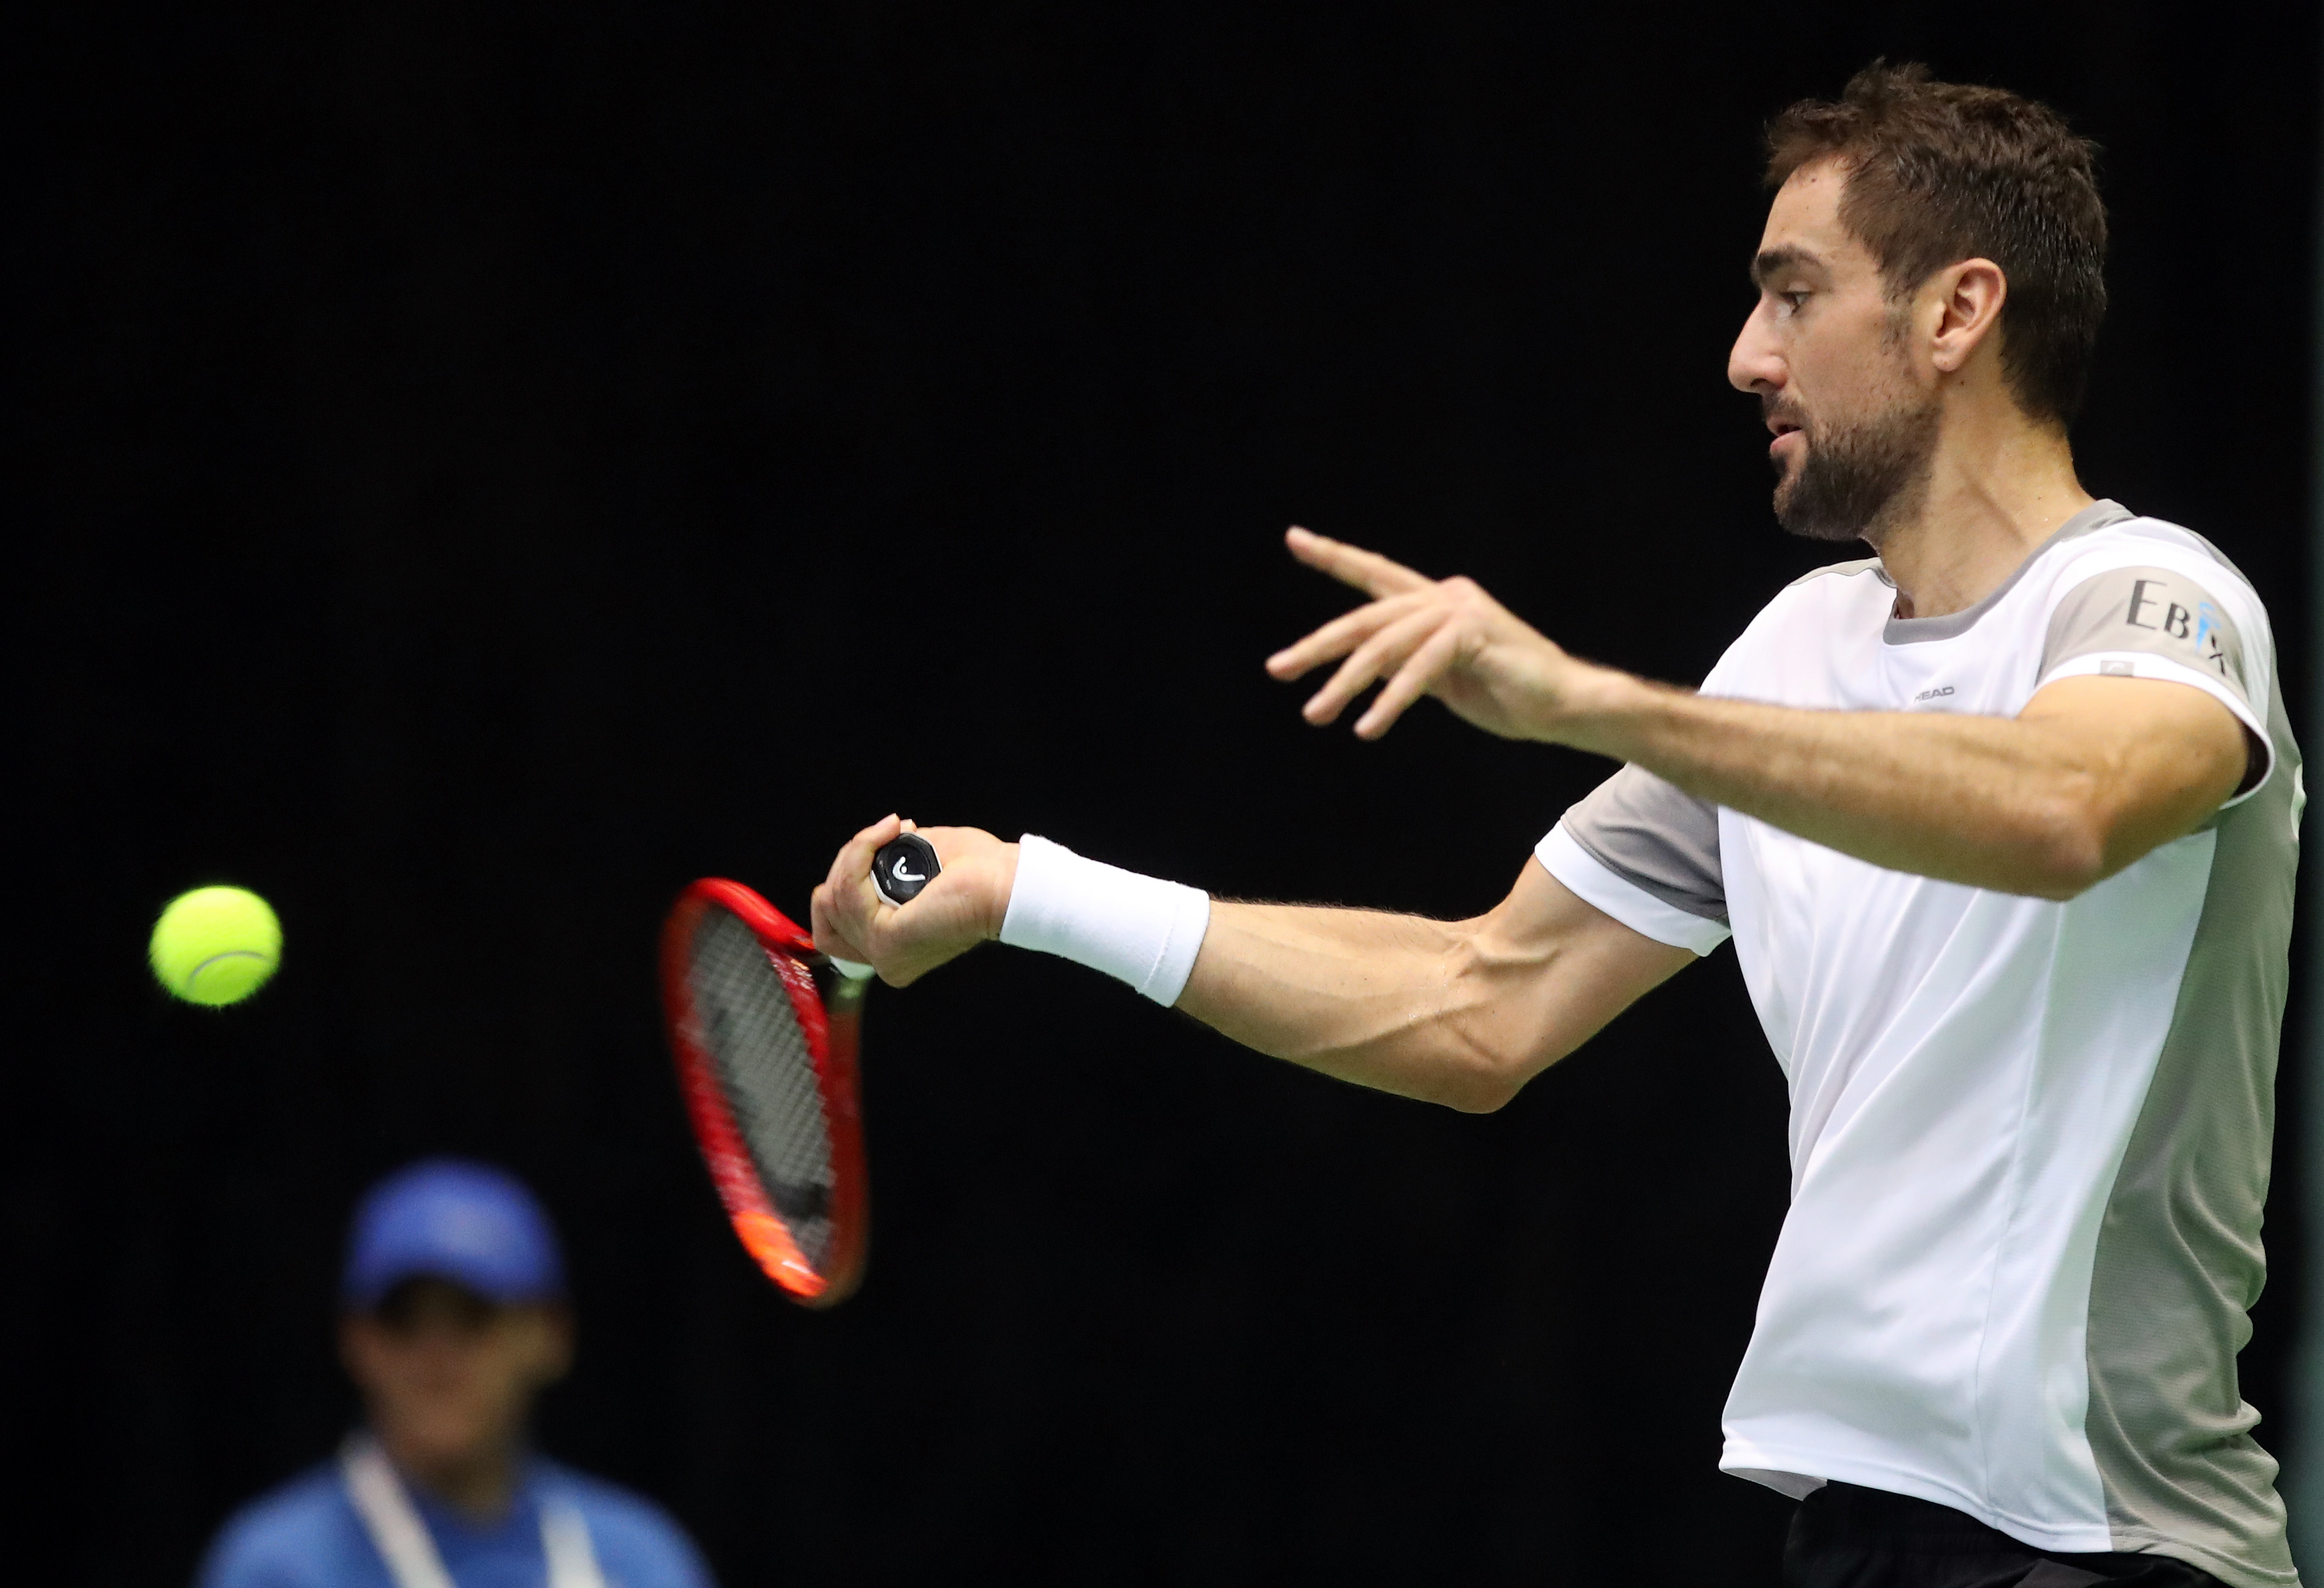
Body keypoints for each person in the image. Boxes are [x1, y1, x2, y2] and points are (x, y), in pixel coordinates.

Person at [810, 63, 2300, 1588]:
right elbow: (1481, 1001)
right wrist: (1030, 891)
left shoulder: (2154, 603)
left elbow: (2063, 808)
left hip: (2113, 1540)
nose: (1746, 356)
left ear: (1955, 312)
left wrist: (1585, 702)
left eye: (1793, 294)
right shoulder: (1794, 653)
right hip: (1859, 1531)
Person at [197, 1159, 715, 1588]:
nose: (436, 1358)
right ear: (357, 1342)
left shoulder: (640, 1560)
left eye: (474, 1317)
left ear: (550, 1335)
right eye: (403, 1320)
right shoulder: (278, 1568)